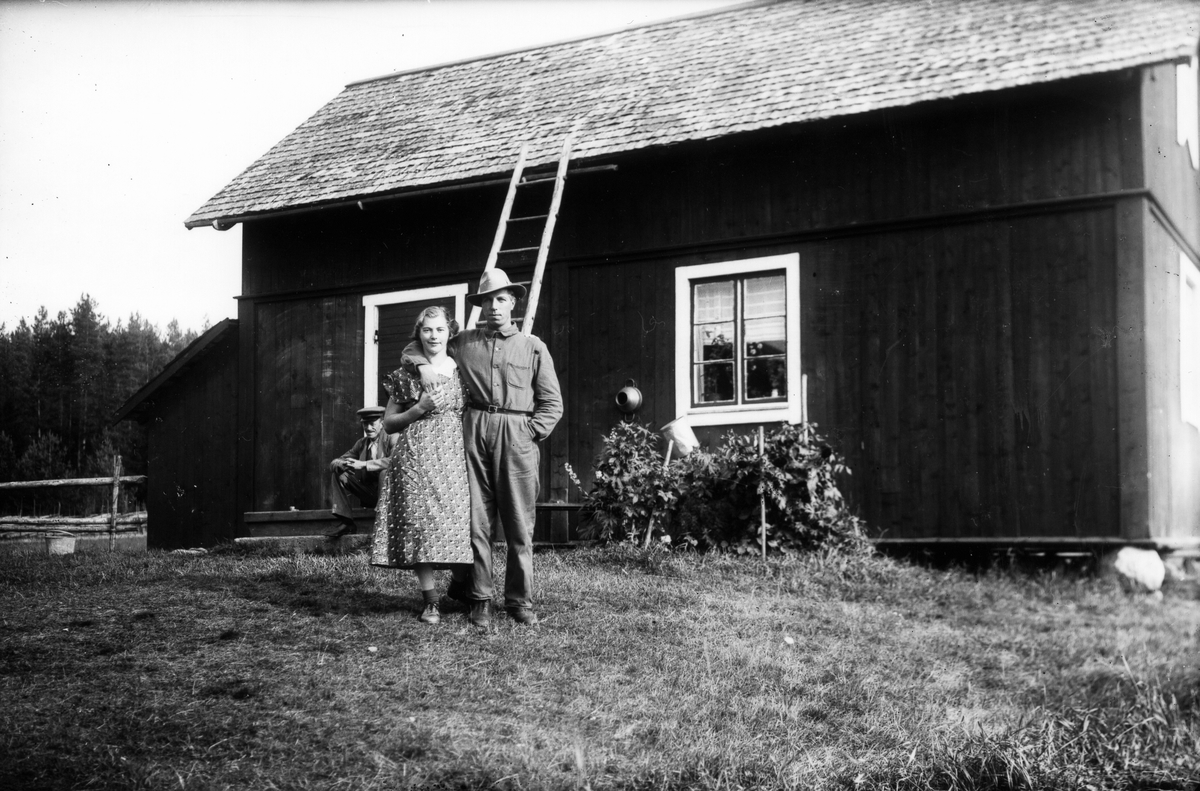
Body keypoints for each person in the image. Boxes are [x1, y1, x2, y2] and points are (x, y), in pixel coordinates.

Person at [402, 268, 562, 628]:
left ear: (513, 303)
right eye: (487, 300)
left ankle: (520, 602)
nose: (494, 306)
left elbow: (553, 403)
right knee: (477, 523)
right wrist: (423, 366)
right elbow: (416, 346)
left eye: (501, 299)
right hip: (472, 433)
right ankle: (480, 600)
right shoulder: (464, 343)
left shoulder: (533, 346)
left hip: (516, 436)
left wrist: (529, 431)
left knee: (520, 527)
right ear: (479, 305)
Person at [370, 306, 473, 624]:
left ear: (449, 332)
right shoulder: (406, 375)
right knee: (420, 528)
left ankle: (458, 587)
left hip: (453, 459)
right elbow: (388, 424)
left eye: (439, 329)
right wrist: (419, 408)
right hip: (414, 459)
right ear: (419, 333)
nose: (433, 336)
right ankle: (430, 601)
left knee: (459, 527)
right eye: (427, 330)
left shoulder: (462, 370)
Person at [327, 406, 397, 537]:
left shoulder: (392, 438)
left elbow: (394, 461)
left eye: (372, 424)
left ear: (382, 423)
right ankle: (347, 522)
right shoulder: (362, 443)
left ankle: (383, 521)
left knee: (384, 472)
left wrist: (364, 464)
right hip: (371, 494)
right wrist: (342, 464)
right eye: (365, 424)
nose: (368, 428)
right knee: (339, 474)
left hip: (392, 496)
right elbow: (336, 462)